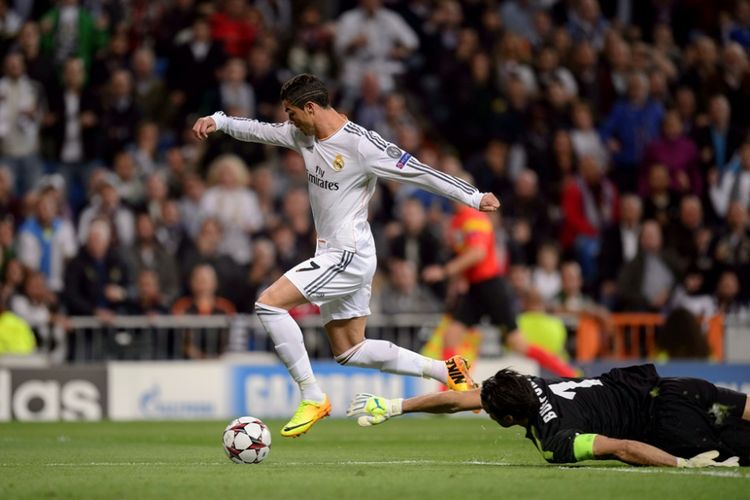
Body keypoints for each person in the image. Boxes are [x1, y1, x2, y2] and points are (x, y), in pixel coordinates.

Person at [192, 73, 500, 437]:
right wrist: (221, 121)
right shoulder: (301, 134)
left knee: (269, 304)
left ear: (310, 108)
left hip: (347, 254)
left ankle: (312, 396)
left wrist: (473, 197)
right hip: (338, 253)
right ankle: (445, 370)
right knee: (350, 349)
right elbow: (259, 130)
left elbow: (420, 173)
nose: (288, 121)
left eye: (291, 113)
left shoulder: (361, 145)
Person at [347, 364, 750, 467]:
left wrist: (680, 463)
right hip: (674, 385)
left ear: (506, 420)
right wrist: (397, 407)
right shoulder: (533, 383)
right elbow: (456, 401)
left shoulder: (556, 442)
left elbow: (624, 447)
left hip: (670, 425)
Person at [422, 174, 577, 378]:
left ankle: (571, 373)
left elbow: (478, 253)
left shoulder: (475, 218)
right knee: (451, 337)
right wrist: (461, 281)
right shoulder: (457, 222)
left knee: (517, 343)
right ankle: (455, 390)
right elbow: (467, 255)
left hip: (491, 287)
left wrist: (445, 272)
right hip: (476, 288)